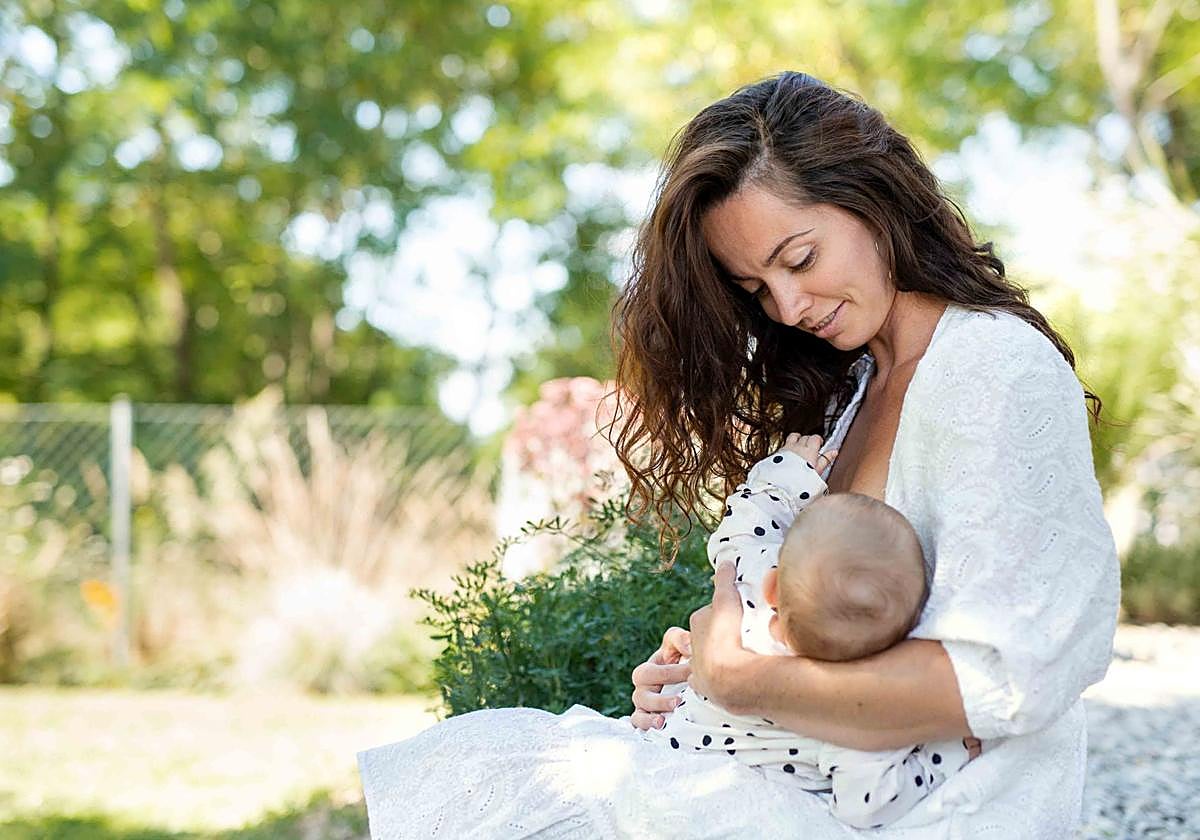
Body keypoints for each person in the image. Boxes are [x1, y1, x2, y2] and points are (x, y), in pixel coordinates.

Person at [356, 71, 1120, 838]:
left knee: (526, 783)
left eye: (801, 258)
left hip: (929, 813)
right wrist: (698, 684)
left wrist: (739, 677)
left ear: (875, 200)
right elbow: (810, 628)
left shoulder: (992, 368)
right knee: (495, 767)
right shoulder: (853, 392)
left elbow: (1008, 675)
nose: (788, 308)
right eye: (756, 287)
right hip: (817, 780)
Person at [644, 431, 970, 830]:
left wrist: (790, 472)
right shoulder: (848, 716)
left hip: (666, 752)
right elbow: (866, 804)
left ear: (773, 587)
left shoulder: (753, 584)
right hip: (735, 810)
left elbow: (741, 530)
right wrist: (946, 755)